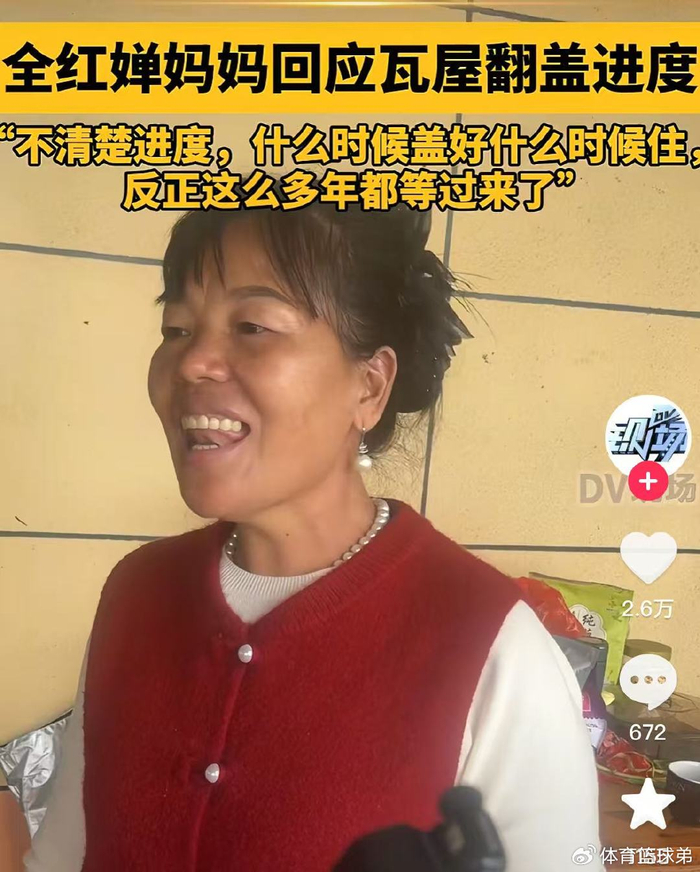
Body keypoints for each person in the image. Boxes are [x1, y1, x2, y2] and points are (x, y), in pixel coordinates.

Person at [25, 202, 603, 872]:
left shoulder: (490, 641)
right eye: (176, 329)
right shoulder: (138, 592)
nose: (191, 364)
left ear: (369, 386)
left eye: (253, 327)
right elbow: (64, 857)